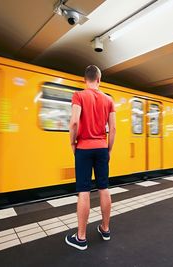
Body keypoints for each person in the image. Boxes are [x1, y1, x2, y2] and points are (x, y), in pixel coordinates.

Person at [65, 65, 116, 250]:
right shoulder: (109, 99)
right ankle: (105, 228)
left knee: (84, 191)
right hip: (102, 148)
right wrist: (108, 150)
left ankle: (81, 237)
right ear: (99, 79)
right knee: (104, 188)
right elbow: (114, 128)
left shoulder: (79, 96)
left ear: (84, 79)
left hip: (84, 148)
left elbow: (75, 122)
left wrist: (72, 142)